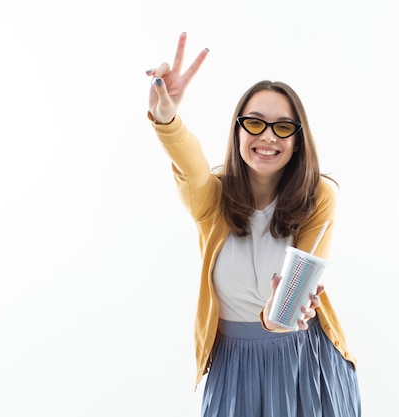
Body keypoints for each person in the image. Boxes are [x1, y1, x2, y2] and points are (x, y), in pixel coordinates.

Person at [145, 32, 361, 417]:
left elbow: (292, 300)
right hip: (234, 367)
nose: (267, 137)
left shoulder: (319, 197)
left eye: (282, 127)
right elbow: (191, 169)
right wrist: (167, 118)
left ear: (297, 140)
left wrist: (280, 315)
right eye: (254, 123)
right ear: (238, 130)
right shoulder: (211, 199)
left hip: (305, 363)